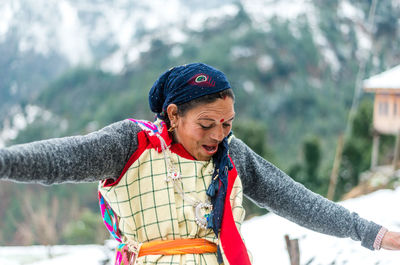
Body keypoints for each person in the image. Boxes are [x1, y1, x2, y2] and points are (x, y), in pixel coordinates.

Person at [0, 63, 399, 265]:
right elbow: (58, 158)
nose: (218, 135)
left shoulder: (233, 156)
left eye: (227, 124)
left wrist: (376, 235)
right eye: (206, 124)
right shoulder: (131, 145)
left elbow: (298, 201)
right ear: (173, 115)